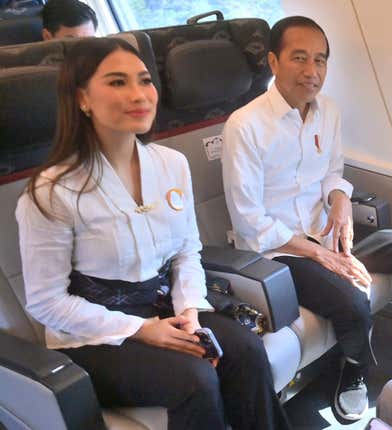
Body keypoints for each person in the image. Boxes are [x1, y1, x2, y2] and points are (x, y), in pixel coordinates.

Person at [16, 37, 290, 430]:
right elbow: (46, 303)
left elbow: (186, 253)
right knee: (195, 381)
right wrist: (141, 330)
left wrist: (189, 313)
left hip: (163, 306)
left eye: (144, 80)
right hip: (94, 334)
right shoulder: (52, 192)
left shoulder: (171, 164)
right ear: (82, 99)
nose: (138, 94)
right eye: (116, 82)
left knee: (246, 351)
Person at [222, 15, 392, 421]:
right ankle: (355, 374)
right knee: (353, 300)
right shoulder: (244, 126)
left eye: (320, 60)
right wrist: (321, 257)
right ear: (274, 62)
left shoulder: (327, 111)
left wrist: (341, 202)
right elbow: (249, 221)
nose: (312, 71)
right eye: (299, 58)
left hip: (329, 237)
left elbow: (333, 170)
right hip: (279, 254)